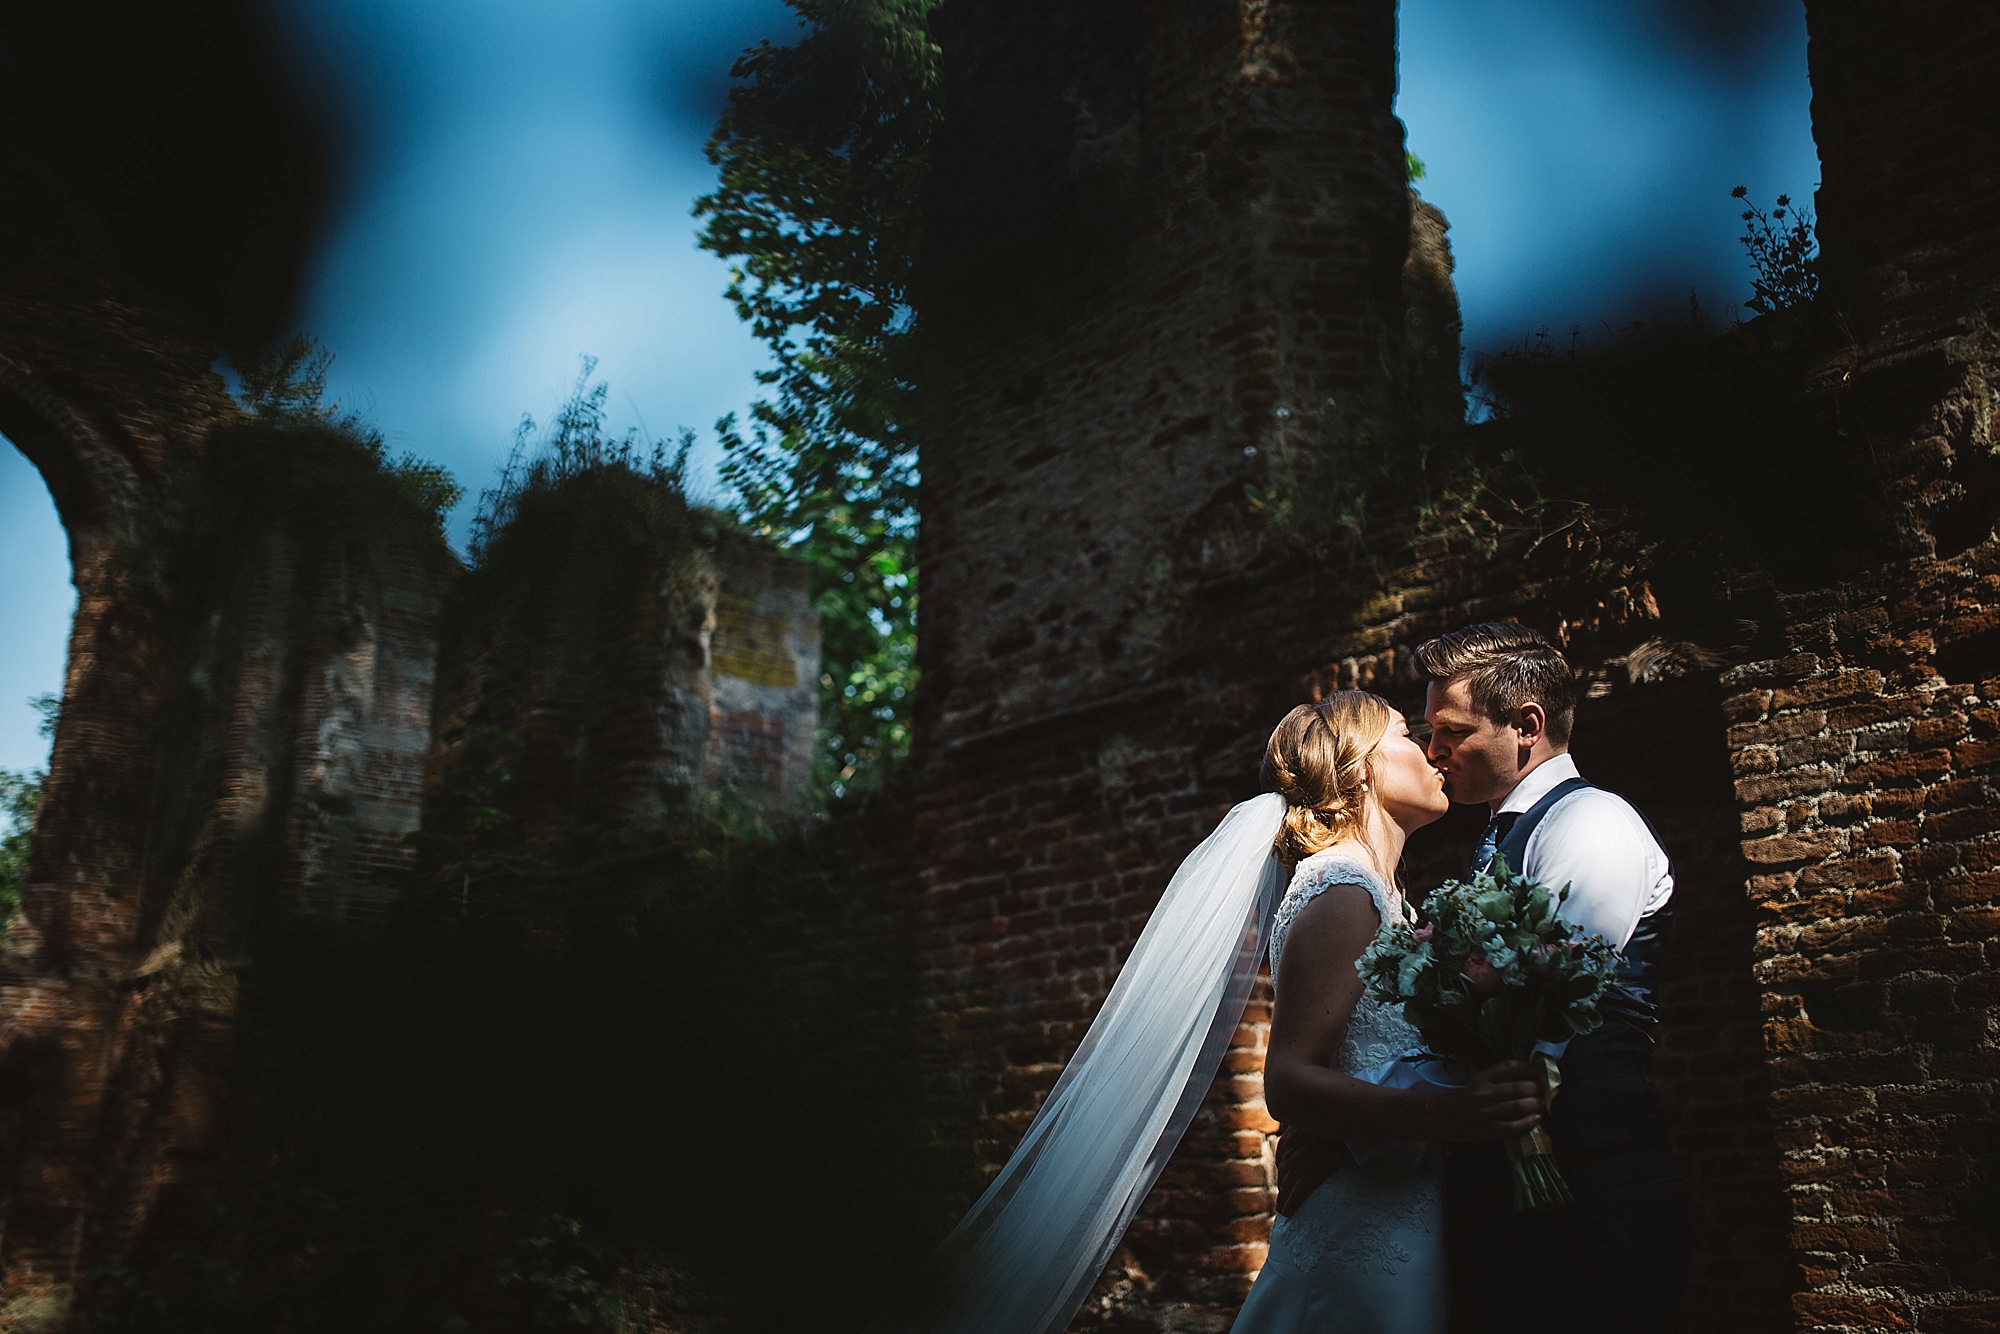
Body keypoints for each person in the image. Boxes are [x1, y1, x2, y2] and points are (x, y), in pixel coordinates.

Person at [1230, 693, 1545, 1334]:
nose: (1434, 749)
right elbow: (1288, 1079)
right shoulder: (1343, 889)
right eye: (1409, 733)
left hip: (1399, 1204)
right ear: (1361, 764)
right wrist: (1452, 1115)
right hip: (1357, 1221)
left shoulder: (1381, 896)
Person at [1417, 621, 1692, 1334]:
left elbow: (1556, 992)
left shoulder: (1591, 823)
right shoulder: (1505, 833)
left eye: (1450, 731)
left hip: (1591, 1178)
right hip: (1525, 1182)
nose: (1433, 751)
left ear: (1526, 725)